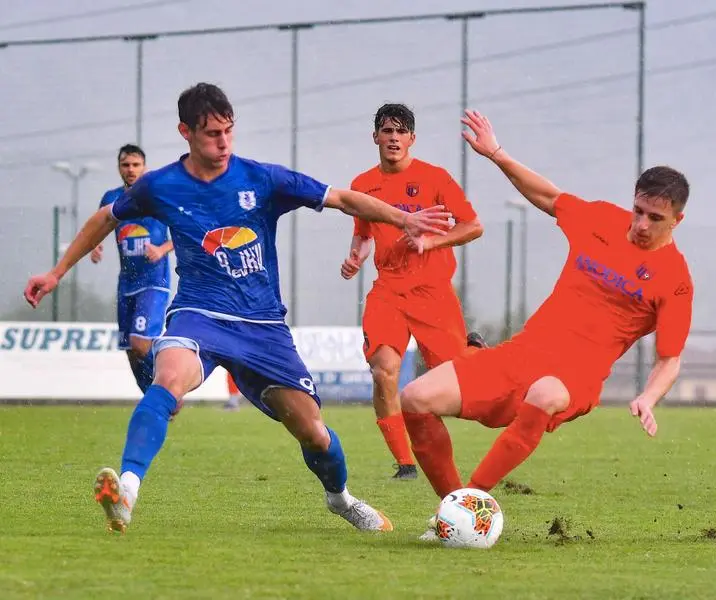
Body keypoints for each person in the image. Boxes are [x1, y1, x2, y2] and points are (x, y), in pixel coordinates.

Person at [24, 82, 452, 535]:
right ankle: (126, 492)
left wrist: (404, 218)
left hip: (263, 326)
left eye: (228, 131)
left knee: (313, 432)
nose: (223, 142)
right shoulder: (161, 185)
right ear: (185, 132)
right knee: (166, 380)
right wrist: (56, 272)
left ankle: (340, 498)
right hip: (198, 315)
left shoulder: (261, 178)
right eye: (211, 133)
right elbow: (105, 217)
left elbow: (343, 198)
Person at [399, 109, 693, 538]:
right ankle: (454, 514)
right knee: (414, 398)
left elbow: (670, 359)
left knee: (543, 392)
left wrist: (648, 397)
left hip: (575, 378)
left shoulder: (676, 279)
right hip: (519, 354)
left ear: (677, 220)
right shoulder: (602, 220)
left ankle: (472, 501)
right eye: (639, 211)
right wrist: (496, 154)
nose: (641, 224)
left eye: (655, 218)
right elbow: (547, 196)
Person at [340, 103, 487, 480]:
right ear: (375, 137)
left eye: (401, 131)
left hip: (432, 292)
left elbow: (473, 226)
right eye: (387, 131)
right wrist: (356, 256)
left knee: (458, 390)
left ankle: (471, 353)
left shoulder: (435, 178)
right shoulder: (362, 184)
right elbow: (363, 231)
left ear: (412, 139)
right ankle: (405, 462)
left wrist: (431, 243)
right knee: (384, 370)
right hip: (388, 291)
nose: (393, 138)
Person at [91, 144, 173, 393]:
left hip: (154, 281)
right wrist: (95, 245)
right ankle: (152, 397)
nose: (131, 169)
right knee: (130, 350)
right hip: (126, 283)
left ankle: (167, 388)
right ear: (119, 168)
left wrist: (161, 249)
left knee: (140, 343)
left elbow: (183, 233)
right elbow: (98, 226)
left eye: (136, 165)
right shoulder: (110, 198)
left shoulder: (158, 196)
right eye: (126, 165)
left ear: (144, 167)